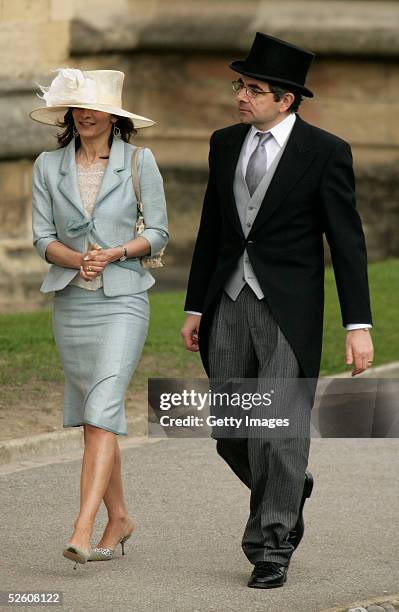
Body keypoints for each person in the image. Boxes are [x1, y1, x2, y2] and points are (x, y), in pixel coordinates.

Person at [181, 33, 373, 589]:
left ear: (286, 99)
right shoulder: (222, 143)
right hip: (226, 303)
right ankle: (292, 486)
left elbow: (348, 242)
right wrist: (196, 307)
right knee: (231, 430)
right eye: (240, 84)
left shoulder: (326, 151)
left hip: (288, 310)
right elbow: (212, 230)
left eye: (254, 88)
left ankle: (271, 544)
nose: (242, 95)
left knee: (281, 430)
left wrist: (356, 325)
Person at [30, 68, 168, 568]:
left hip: (124, 299)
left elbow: (158, 232)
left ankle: (82, 526)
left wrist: (112, 254)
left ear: (113, 114)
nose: (85, 114)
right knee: (95, 416)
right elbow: (42, 238)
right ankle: (120, 517)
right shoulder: (47, 165)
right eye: (77, 106)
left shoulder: (139, 161)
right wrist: (77, 259)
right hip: (72, 302)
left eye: (94, 106)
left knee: (104, 405)